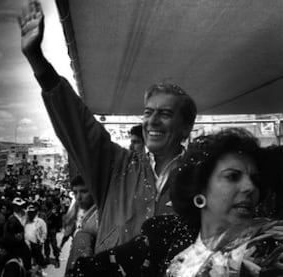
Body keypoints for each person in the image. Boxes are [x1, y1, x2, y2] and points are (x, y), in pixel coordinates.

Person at [19, 0, 197, 253]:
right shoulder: (117, 168)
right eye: (148, 112)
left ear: (186, 127)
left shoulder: (202, 178)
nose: (152, 121)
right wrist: (37, 60)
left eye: (165, 114)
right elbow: (77, 124)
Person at [73, 128, 283, 277]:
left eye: (255, 180)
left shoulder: (269, 248)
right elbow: (85, 269)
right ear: (200, 189)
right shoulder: (163, 238)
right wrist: (83, 237)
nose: (250, 188)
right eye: (233, 176)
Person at [63, 175, 98, 276]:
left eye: (84, 191)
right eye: (75, 192)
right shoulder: (76, 210)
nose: (78, 197)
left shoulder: (99, 216)